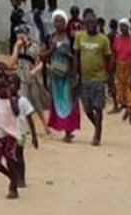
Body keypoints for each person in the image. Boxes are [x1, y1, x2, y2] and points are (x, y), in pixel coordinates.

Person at [74, 10, 111, 146]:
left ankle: (97, 135)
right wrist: (75, 75)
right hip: (84, 79)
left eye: (93, 23)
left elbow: (108, 59)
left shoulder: (103, 39)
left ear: (97, 24)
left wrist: (109, 78)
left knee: (98, 107)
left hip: (99, 78)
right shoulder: (79, 37)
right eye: (88, 23)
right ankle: (98, 126)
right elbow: (76, 56)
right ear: (84, 23)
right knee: (87, 109)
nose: (90, 25)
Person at [44, 8, 80, 142]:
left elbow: (75, 56)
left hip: (68, 74)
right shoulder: (49, 38)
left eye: (61, 21)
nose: (58, 23)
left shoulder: (71, 37)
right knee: (58, 100)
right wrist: (51, 50)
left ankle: (68, 130)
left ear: (65, 22)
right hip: (55, 75)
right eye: (56, 20)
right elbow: (43, 55)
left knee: (68, 101)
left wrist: (75, 74)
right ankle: (64, 129)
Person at [12, 25, 50, 134]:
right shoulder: (17, 46)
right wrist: (16, 48)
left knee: (37, 103)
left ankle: (45, 125)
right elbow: (13, 61)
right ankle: (24, 127)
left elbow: (41, 62)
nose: (19, 35)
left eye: (21, 33)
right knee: (22, 101)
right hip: (21, 78)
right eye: (18, 33)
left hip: (33, 78)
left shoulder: (35, 46)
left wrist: (35, 71)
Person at [0, 66, 22, 199]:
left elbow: (17, 112)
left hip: (10, 135)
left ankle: (13, 188)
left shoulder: (13, 100)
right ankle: (12, 177)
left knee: (9, 158)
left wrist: (10, 97)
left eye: (4, 88)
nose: (2, 90)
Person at [10, 74, 39, 188]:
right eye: (9, 84)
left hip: (20, 133)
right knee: (10, 157)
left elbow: (30, 120)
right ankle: (15, 177)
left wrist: (34, 136)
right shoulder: (5, 101)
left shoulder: (23, 101)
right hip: (9, 133)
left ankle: (21, 179)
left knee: (18, 155)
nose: (10, 86)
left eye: (13, 84)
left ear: (18, 87)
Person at [113, 18, 131, 125]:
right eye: (121, 26)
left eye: (124, 26)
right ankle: (126, 108)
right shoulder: (117, 39)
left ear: (128, 27)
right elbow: (114, 53)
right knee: (121, 91)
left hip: (130, 65)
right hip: (119, 66)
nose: (122, 28)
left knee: (130, 89)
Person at [106, 18, 121, 114]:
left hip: (111, 60)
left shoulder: (109, 35)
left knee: (111, 82)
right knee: (118, 81)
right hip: (119, 60)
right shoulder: (119, 35)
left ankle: (116, 104)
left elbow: (108, 49)